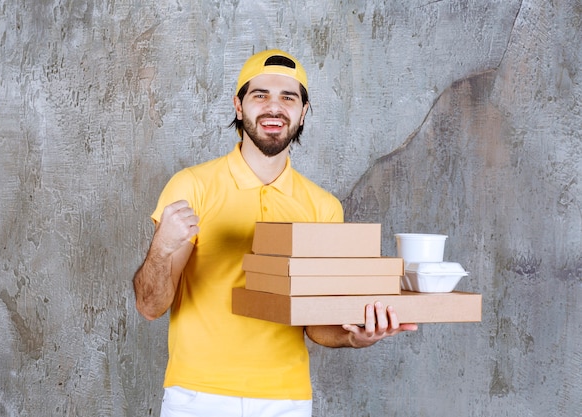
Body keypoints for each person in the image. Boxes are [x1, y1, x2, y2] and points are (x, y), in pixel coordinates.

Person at [133, 49, 418, 417]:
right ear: (238, 106)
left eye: (288, 97)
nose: (274, 107)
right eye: (260, 95)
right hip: (197, 395)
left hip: (285, 400)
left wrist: (355, 335)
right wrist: (161, 248)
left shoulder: (323, 207)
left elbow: (316, 324)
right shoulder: (192, 187)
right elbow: (150, 306)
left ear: (303, 112)